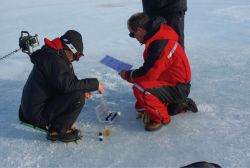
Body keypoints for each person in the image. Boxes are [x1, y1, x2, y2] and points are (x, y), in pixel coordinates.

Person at [19, 30, 105, 142]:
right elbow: (67, 85)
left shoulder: (57, 55)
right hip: (36, 114)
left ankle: (59, 124)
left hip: (35, 107)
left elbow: (68, 79)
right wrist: (95, 84)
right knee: (77, 97)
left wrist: (84, 88)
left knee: (77, 91)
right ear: (69, 49)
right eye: (77, 55)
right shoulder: (53, 60)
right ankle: (56, 131)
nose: (77, 59)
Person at [119, 13, 197, 132]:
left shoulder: (160, 43)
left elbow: (148, 74)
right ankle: (177, 105)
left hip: (177, 87)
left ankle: (161, 119)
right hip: (168, 80)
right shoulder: (156, 37)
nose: (133, 37)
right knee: (140, 106)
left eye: (132, 34)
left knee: (141, 90)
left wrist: (127, 75)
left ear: (140, 30)